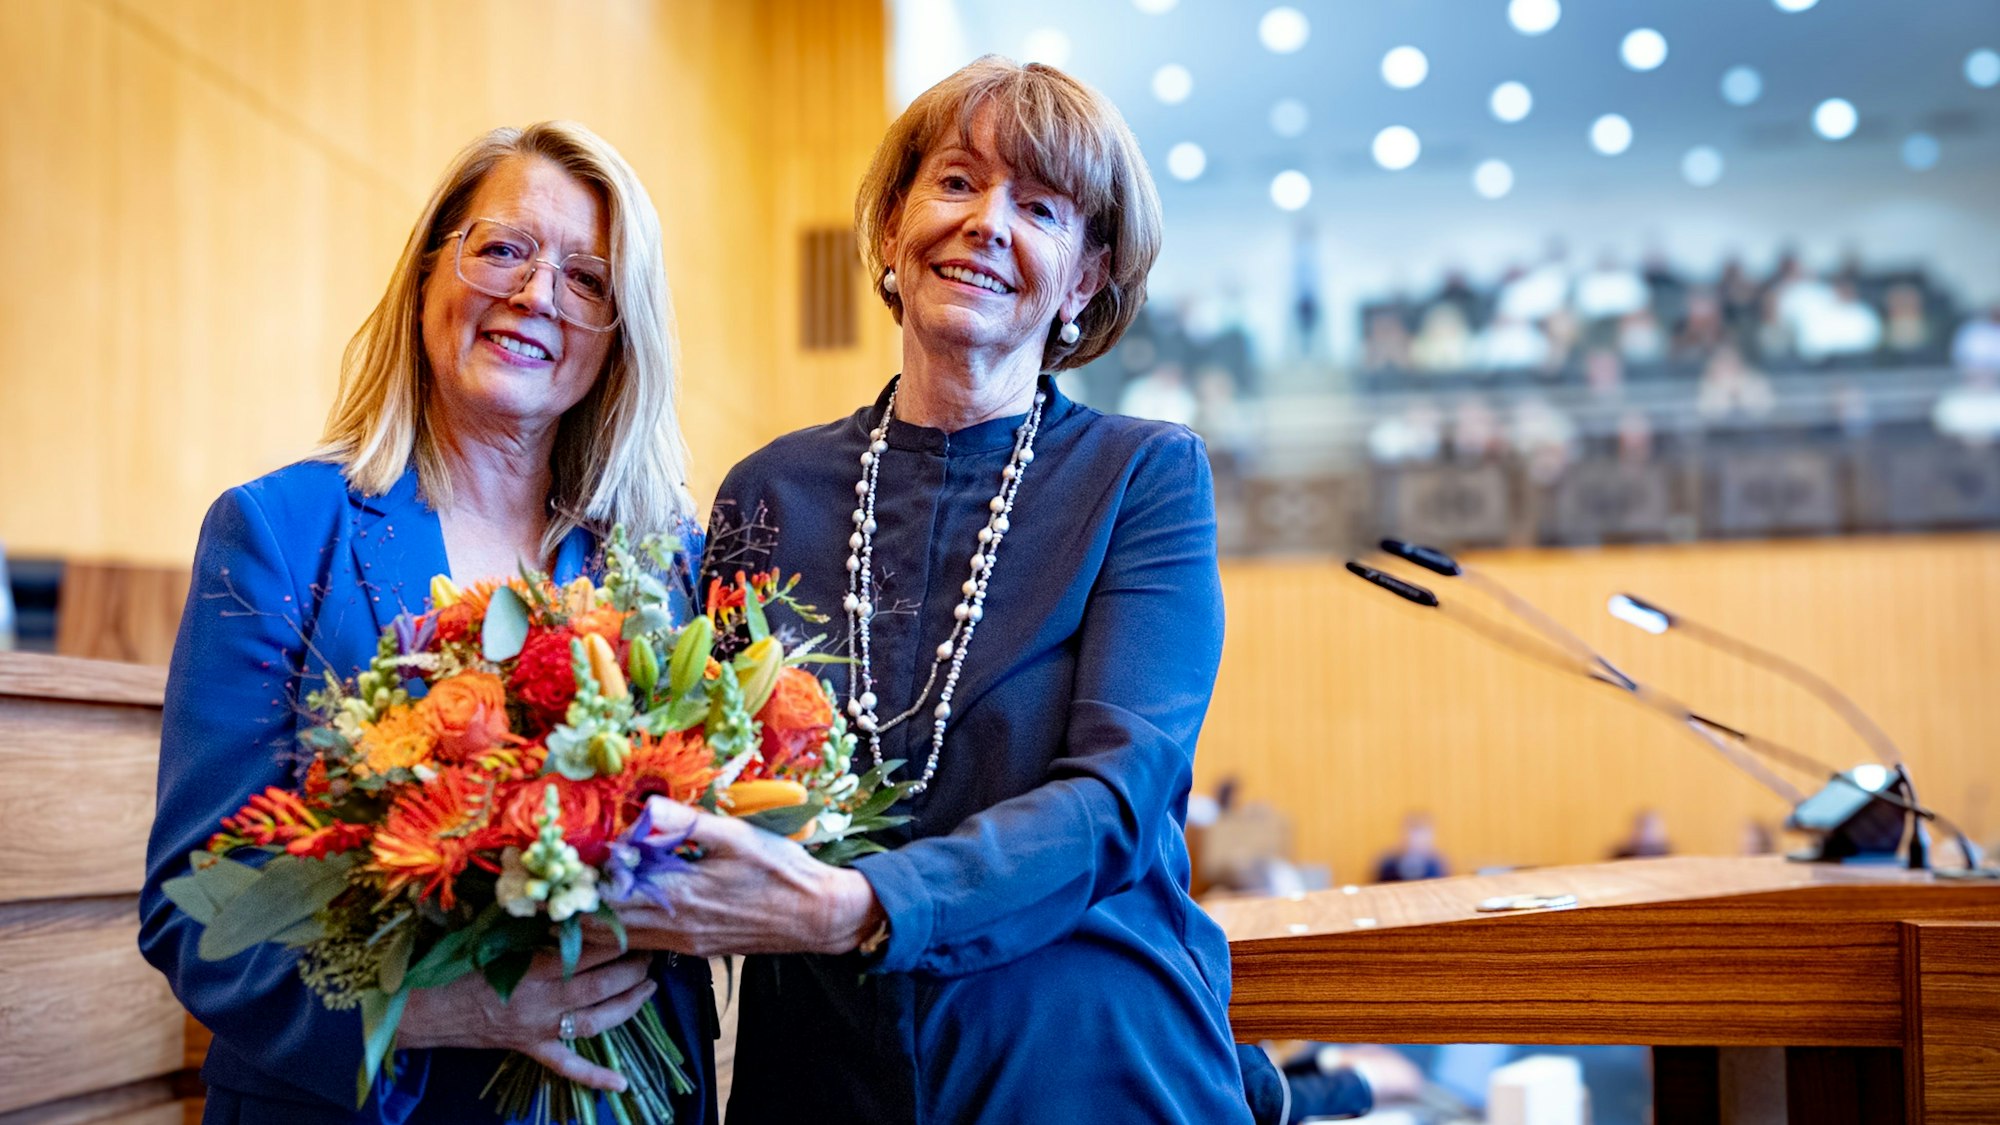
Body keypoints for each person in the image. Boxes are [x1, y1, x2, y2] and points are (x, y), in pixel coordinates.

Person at [613, 57, 1253, 1123]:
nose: (986, 223)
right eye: (955, 183)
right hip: (815, 1068)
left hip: (1076, 1055)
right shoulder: (768, 493)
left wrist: (866, 904)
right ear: (892, 228)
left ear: (1084, 278)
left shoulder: (1142, 477)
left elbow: (1119, 794)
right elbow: (699, 773)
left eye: (1039, 208)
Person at [138, 122, 717, 1123]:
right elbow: (196, 908)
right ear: (425, 278)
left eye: (587, 280)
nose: (535, 295)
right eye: (502, 248)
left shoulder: (665, 565)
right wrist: (437, 1006)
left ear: (620, 338)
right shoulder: (278, 534)